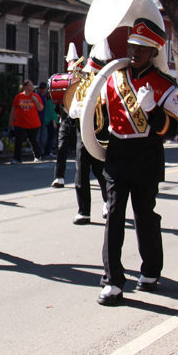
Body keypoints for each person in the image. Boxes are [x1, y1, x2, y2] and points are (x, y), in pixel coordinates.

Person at [97, 16, 178, 306]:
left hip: (146, 158)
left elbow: (172, 130)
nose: (135, 53)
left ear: (153, 53)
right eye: (133, 46)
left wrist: (153, 110)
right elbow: (99, 120)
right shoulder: (113, 79)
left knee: (145, 217)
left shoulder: (165, 85)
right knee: (114, 216)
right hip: (118, 156)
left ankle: (151, 270)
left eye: (142, 49)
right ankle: (113, 280)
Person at [68, 41, 111, 225]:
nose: (87, 76)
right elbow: (71, 111)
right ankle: (83, 211)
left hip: (102, 135)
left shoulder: (109, 88)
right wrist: (78, 108)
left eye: (91, 73)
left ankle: (108, 201)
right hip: (83, 135)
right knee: (81, 173)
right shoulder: (81, 87)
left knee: (101, 172)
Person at [52, 43, 82, 187]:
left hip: (80, 121)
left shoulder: (83, 83)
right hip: (65, 119)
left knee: (80, 151)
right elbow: (57, 104)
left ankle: (82, 177)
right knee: (62, 146)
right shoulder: (65, 83)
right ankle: (59, 177)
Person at [9, 80, 43, 164]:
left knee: (33, 140)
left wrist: (35, 100)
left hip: (33, 123)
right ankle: (17, 159)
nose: (32, 87)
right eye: (30, 86)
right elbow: (13, 109)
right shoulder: (18, 97)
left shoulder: (35, 96)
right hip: (20, 123)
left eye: (32, 86)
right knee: (18, 141)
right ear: (25, 87)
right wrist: (11, 121)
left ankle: (37, 156)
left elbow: (40, 108)